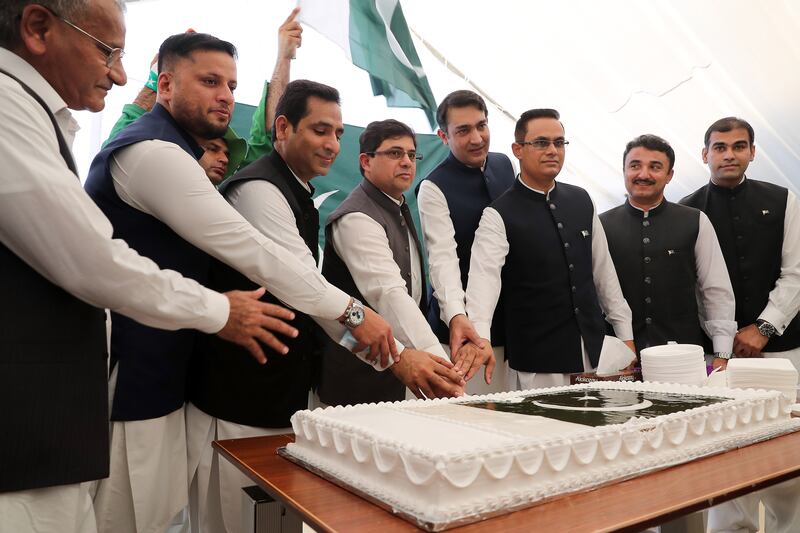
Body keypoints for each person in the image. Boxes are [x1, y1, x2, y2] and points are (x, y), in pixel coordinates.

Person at [83, 33, 400, 533]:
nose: (226, 95)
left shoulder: (177, 151)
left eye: (231, 83)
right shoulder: (153, 153)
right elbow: (257, 253)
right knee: (125, 519)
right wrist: (355, 315)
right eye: (209, 81)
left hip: (167, 374)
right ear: (164, 84)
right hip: (131, 374)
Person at [0, 2, 296, 532]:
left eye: (231, 84)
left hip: (138, 384)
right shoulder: (142, 150)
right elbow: (94, 261)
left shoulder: (43, 115)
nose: (115, 71)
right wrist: (222, 311)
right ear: (38, 28)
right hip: (89, 398)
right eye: (106, 51)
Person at [186, 85, 464, 533]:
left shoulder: (298, 190)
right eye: (320, 130)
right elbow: (304, 285)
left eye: (337, 131)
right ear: (282, 127)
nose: (332, 143)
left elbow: (321, 309)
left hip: (280, 393)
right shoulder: (259, 190)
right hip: (237, 395)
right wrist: (397, 354)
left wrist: (397, 356)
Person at [681, 117, 800, 533]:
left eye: (738, 146)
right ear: (705, 154)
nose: (728, 154)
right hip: (719, 357)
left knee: (787, 450)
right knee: (729, 450)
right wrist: (723, 340)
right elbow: (693, 287)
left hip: (784, 350)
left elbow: (796, 274)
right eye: (719, 147)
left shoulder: (785, 199)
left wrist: (763, 328)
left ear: (752, 151)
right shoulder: (686, 209)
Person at [466, 108, 635, 390]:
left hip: (593, 355)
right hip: (536, 361)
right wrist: (481, 336)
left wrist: (625, 334)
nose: (553, 150)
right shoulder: (498, 214)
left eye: (559, 142)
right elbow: (483, 285)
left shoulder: (581, 199)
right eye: (542, 143)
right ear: (518, 149)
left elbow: (603, 274)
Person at [319, 119, 468, 406]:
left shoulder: (394, 204)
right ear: (366, 161)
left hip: (398, 368)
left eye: (412, 155)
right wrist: (441, 367)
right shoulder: (356, 217)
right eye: (395, 153)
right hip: (356, 379)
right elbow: (389, 294)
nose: (407, 162)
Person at [600, 134, 736, 367]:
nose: (643, 174)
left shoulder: (695, 221)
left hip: (684, 358)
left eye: (655, 167)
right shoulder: (600, 225)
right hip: (617, 360)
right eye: (635, 166)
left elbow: (716, 291)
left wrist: (722, 355)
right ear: (624, 170)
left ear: (670, 175)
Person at [417, 90, 513, 392]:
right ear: (443, 137)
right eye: (463, 131)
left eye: (481, 126)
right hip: (459, 335)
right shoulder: (432, 187)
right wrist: (461, 319)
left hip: (513, 327)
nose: (476, 138)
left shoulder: (504, 164)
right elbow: (443, 261)